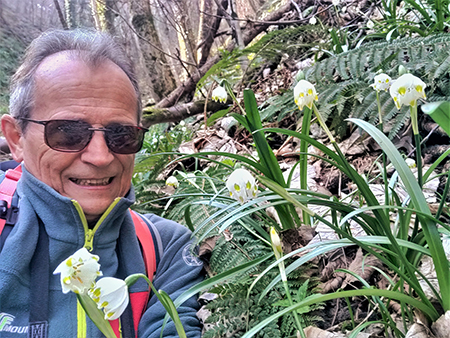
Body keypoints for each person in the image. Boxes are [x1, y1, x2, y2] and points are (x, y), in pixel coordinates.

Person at [0, 29, 204, 337]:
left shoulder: (166, 248)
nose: (100, 156)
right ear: (16, 138)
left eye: (120, 135)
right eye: (67, 132)